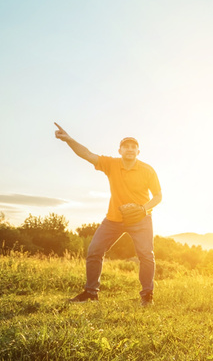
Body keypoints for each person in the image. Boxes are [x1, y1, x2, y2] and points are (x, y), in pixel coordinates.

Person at [54, 123, 162, 306]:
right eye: (126, 146)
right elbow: (87, 154)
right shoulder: (111, 164)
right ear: (119, 150)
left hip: (141, 219)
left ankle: (147, 296)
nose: (129, 149)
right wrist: (69, 140)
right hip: (114, 218)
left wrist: (144, 209)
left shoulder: (147, 170)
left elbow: (158, 196)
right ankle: (91, 293)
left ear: (138, 151)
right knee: (94, 250)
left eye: (133, 147)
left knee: (146, 255)